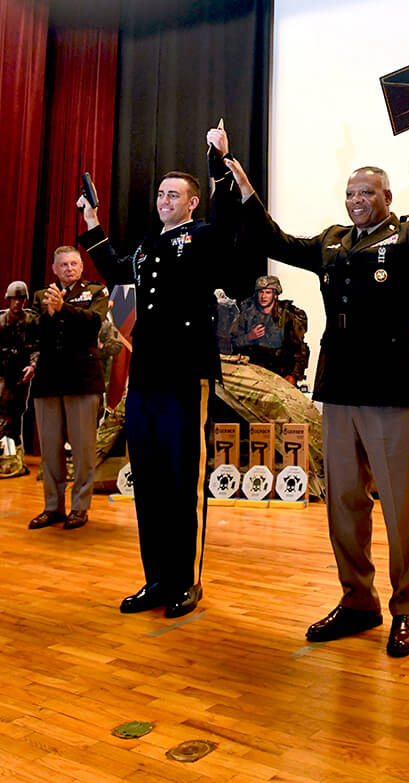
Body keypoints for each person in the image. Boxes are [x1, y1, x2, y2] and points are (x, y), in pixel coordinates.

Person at [224, 156, 409, 657]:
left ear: (388, 198)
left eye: (367, 193)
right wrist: (245, 186)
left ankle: (407, 609)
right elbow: (276, 241)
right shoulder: (333, 241)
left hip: (390, 386)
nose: (357, 201)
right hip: (339, 388)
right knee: (343, 503)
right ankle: (358, 600)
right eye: (351, 193)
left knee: (400, 507)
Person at [76, 127, 241, 619]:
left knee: (181, 478)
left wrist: (219, 161)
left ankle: (185, 581)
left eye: (174, 195)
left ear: (192, 204)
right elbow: (115, 269)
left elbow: (231, 218)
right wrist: (92, 222)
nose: (164, 200)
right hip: (146, 376)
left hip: (185, 374)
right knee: (147, 478)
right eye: (161, 194)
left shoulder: (204, 237)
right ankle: (156, 578)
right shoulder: (149, 246)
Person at [29, 247, 109, 530]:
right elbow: (31, 330)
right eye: (63, 265)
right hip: (48, 379)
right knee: (50, 451)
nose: (69, 269)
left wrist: (64, 309)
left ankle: (79, 507)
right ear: (53, 268)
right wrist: (50, 315)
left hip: (82, 378)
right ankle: (53, 507)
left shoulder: (97, 292)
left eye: (74, 263)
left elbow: (94, 324)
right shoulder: (41, 297)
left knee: (83, 448)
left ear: (81, 266)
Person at [229, 274, 309, 384]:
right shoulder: (247, 316)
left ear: (275, 295)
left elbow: (300, 350)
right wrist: (248, 337)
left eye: (268, 292)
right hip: (253, 374)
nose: (263, 296)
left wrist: (293, 376)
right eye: (261, 292)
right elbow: (232, 343)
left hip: (281, 375)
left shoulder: (288, 316)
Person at [0, 281, 37, 452]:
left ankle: (13, 448)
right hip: (2, 371)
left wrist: (33, 366)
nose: (17, 303)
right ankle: (6, 447)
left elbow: (37, 346)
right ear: (8, 300)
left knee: (17, 410)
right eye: (14, 299)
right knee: (3, 407)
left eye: (20, 299)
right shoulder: (1, 320)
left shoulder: (31, 321)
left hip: (21, 372)